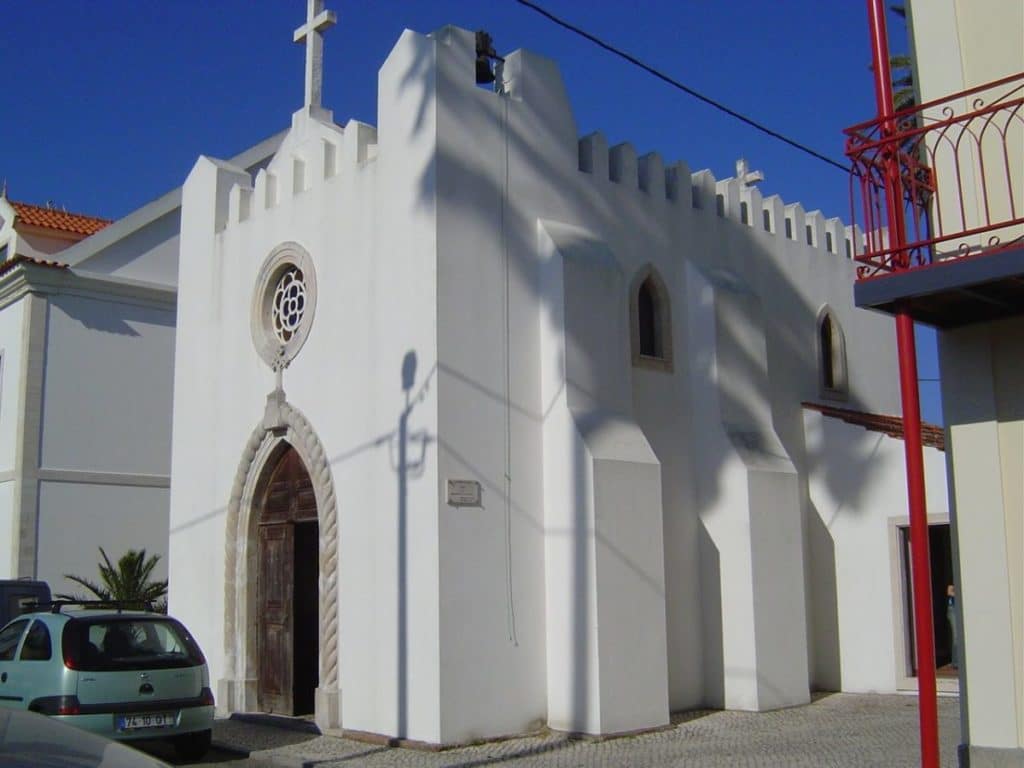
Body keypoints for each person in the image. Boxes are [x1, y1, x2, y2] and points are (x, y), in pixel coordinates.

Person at [947, 584, 958, 669]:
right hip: (953, 609)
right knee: (956, 637)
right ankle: (955, 662)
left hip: (958, 608)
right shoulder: (952, 583)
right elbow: (949, 591)